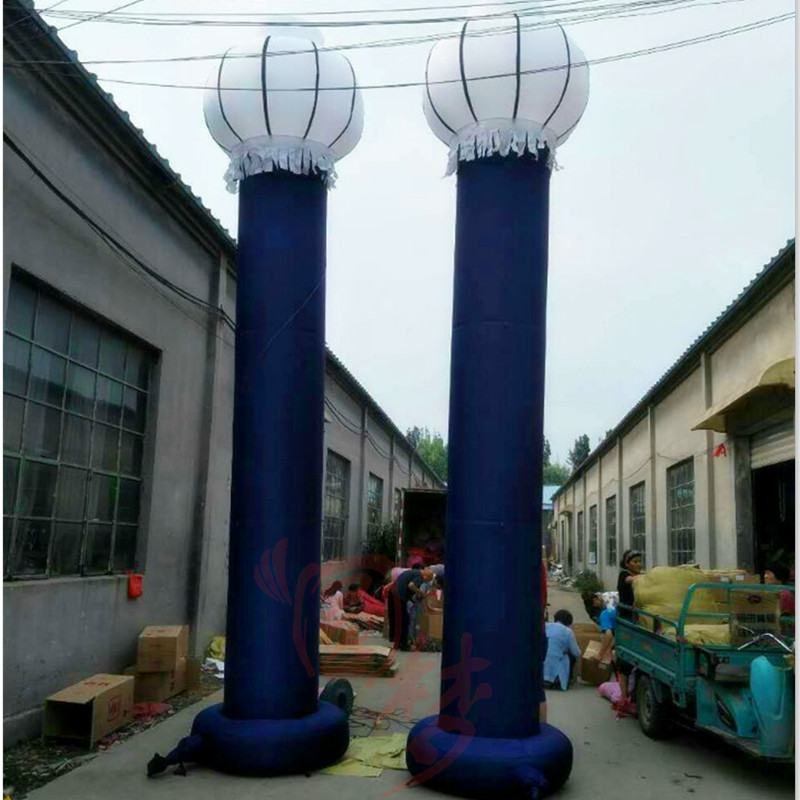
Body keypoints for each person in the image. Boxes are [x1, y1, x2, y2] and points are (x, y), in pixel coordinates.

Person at [393, 567, 434, 650]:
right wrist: (420, 592)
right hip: (400, 596)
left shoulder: (416, 573)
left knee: (402, 619)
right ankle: (403, 644)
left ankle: (399, 642)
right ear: (426, 576)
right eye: (428, 580)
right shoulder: (420, 576)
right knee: (405, 620)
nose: (427, 582)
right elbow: (411, 585)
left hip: (397, 594)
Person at [544, 610, 582, 691]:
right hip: (557, 664)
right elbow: (576, 652)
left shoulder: (546, 626)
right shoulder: (568, 631)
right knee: (572, 657)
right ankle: (562, 679)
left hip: (541, 661)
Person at [617, 549, 644, 620]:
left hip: (640, 614)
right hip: (627, 615)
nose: (639, 564)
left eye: (640, 561)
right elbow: (630, 579)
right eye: (635, 562)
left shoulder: (641, 575)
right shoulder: (623, 575)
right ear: (627, 564)